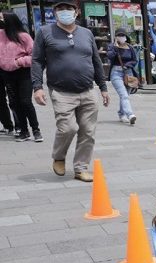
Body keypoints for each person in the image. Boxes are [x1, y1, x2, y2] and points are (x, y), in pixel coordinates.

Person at [31, 0, 109, 182]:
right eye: (60, 9)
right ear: (55, 12)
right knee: (68, 128)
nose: (64, 11)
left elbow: (96, 61)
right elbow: (36, 60)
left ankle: (81, 168)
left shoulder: (86, 33)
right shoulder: (44, 32)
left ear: (77, 12)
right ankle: (59, 156)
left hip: (88, 90)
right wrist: (37, 87)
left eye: (68, 8)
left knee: (88, 132)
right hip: (61, 91)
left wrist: (103, 88)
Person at [0, 12, 40, 141]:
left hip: (23, 72)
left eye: (2, 18)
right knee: (14, 103)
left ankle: (36, 129)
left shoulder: (24, 36)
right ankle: (23, 130)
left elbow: (34, 56)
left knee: (25, 101)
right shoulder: (1, 35)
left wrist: (19, 62)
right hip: (7, 73)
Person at [106, 28, 138, 125]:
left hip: (128, 73)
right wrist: (115, 48)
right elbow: (109, 56)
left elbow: (134, 60)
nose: (121, 37)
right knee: (123, 95)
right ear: (115, 37)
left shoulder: (130, 47)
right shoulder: (112, 46)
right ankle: (130, 114)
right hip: (116, 73)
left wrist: (128, 65)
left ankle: (121, 114)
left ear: (126, 37)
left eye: (123, 35)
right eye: (119, 35)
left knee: (125, 95)